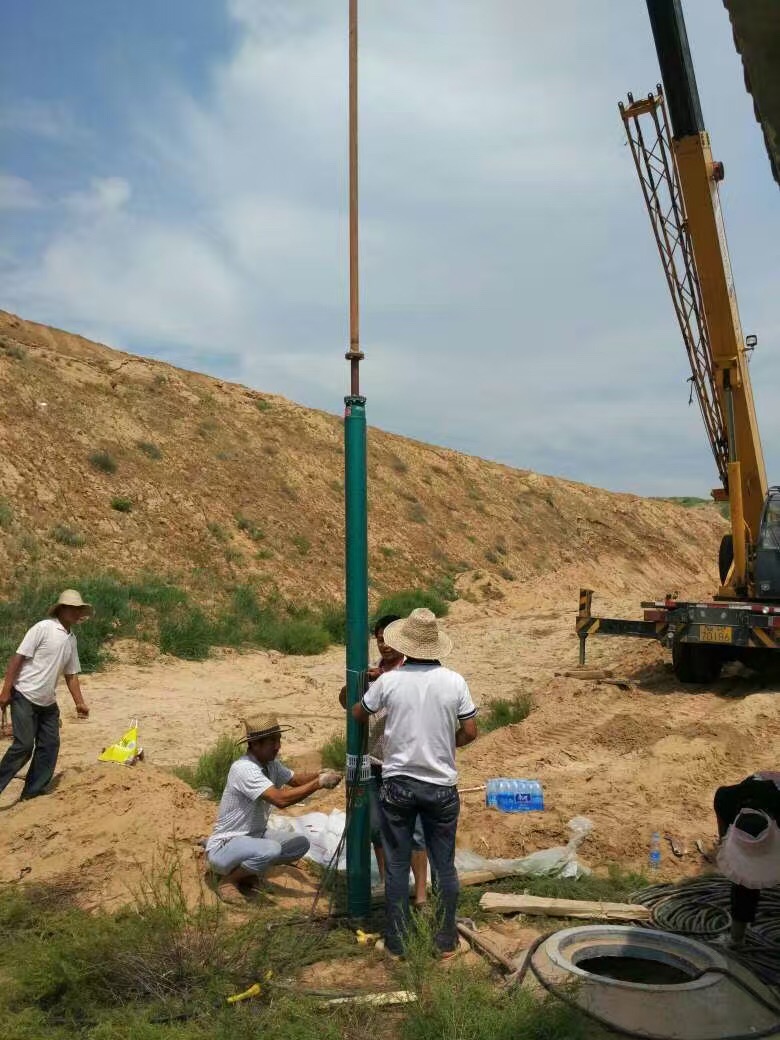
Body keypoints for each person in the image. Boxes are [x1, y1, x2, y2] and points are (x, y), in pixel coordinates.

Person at [353, 608, 478, 957]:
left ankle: (397, 942)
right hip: (441, 786)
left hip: (398, 784)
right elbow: (470, 730)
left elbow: (359, 713)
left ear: (405, 644)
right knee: (444, 865)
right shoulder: (455, 681)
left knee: (395, 864)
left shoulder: (389, 681)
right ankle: (446, 941)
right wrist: (446, 743)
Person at [339, 614, 429, 906]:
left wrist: (383, 681)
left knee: (414, 831)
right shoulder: (375, 674)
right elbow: (348, 704)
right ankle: (393, 889)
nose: (384, 645)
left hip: (405, 765)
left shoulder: (412, 673)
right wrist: (359, 682)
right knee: (377, 830)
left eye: (390, 639)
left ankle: (420, 895)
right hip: (376, 764)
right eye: (379, 639)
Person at [206, 713, 342, 904]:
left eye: (278, 740)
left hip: (254, 837)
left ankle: (246, 873)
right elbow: (280, 800)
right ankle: (228, 881)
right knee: (271, 849)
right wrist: (318, 783)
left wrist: (318, 774)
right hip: (227, 845)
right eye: (272, 742)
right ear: (255, 744)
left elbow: (294, 780)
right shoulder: (244, 769)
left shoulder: (270, 764)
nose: (278, 746)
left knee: (300, 844)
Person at [0, 589, 91, 800]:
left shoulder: (71, 639)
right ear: (62, 609)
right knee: (23, 746)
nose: (77, 613)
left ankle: (32, 793)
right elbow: (18, 658)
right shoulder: (43, 628)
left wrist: (80, 702)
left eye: (79, 609)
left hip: (47, 702)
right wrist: (5, 691)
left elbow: (71, 675)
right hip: (24, 694)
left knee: (50, 745)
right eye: (73, 609)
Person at [714, 771, 780, 946]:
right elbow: (722, 840)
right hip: (752, 796)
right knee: (744, 884)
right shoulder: (725, 800)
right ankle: (737, 938)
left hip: (774, 799)